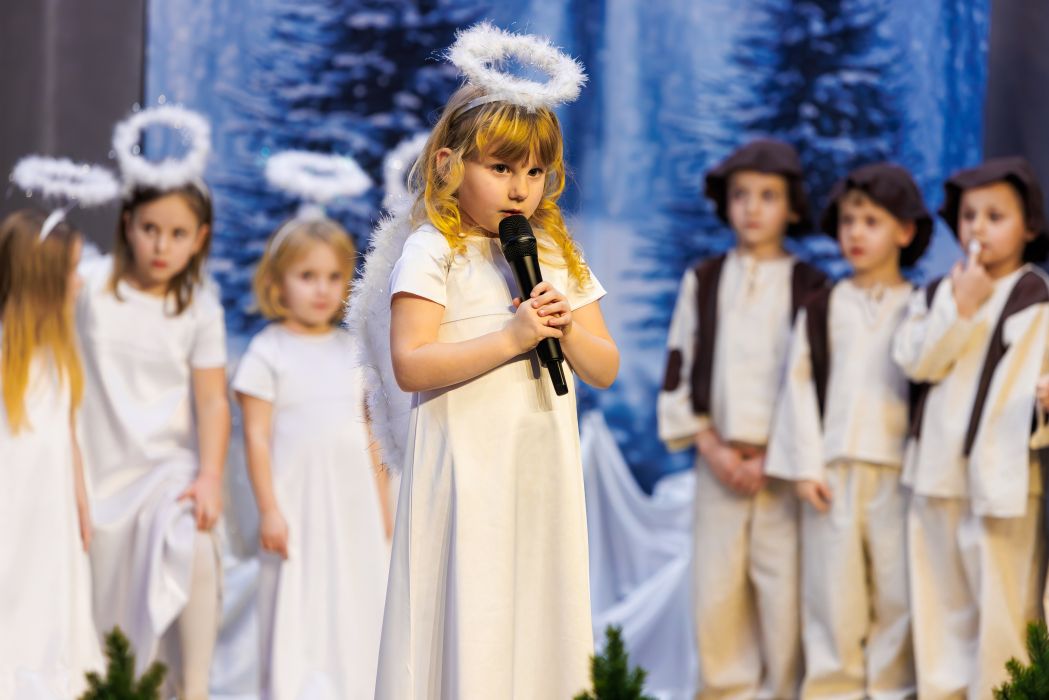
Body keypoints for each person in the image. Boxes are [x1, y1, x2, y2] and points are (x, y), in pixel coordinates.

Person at [365, 23, 619, 698]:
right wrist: (510, 339)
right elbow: (411, 363)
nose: (519, 189)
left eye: (534, 172)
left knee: (537, 614)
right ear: (449, 164)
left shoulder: (554, 254)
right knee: (471, 609)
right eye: (501, 168)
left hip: (539, 466)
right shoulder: (434, 249)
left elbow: (604, 367)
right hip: (466, 468)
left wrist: (564, 329)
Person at [658, 138, 827, 699]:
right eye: (741, 195)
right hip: (720, 465)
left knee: (785, 600)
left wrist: (774, 457)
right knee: (717, 599)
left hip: (784, 473)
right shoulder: (704, 280)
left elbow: (817, 383)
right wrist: (713, 449)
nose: (752, 208)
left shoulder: (811, 287)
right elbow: (679, 369)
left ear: (792, 207)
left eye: (768, 196)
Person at [766, 163, 932, 698]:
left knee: (898, 594)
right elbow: (798, 386)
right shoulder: (823, 305)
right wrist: (806, 466)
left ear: (905, 231)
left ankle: (893, 689)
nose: (856, 233)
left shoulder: (925, 306)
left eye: (871, 221)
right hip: (832, 474)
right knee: (832, 596)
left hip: (901, 475)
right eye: (847, 221)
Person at [893, 156, 1049, 699]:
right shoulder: (939, 292)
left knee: (1004, 612)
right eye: (968, 215)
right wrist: (960, 308)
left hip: (1005, 483)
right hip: (935, 476)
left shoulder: (1038, 298)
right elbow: (915, 362)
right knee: (939, 611)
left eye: (995, 216)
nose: (978, 227)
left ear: (1029, 226)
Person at [234, 213, 389, 699]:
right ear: (278, 282)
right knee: (297, 603)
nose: (322, 289)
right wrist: (269, 510)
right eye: (307, 276)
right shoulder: (268, 351)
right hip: (296, 508)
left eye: (333, 276)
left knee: (355, 600)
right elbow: (256, 437)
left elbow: (370, 430)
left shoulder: (353, 351)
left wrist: (383, 506)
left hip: (352, 506)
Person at [0, 208, 102, 699]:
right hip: (11, 519)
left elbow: (68, 435)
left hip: (50, 519)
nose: (79, 282)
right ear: (41, 280)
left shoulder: (59, 357)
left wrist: (80, 500)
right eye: (71, 270)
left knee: (51, 609)